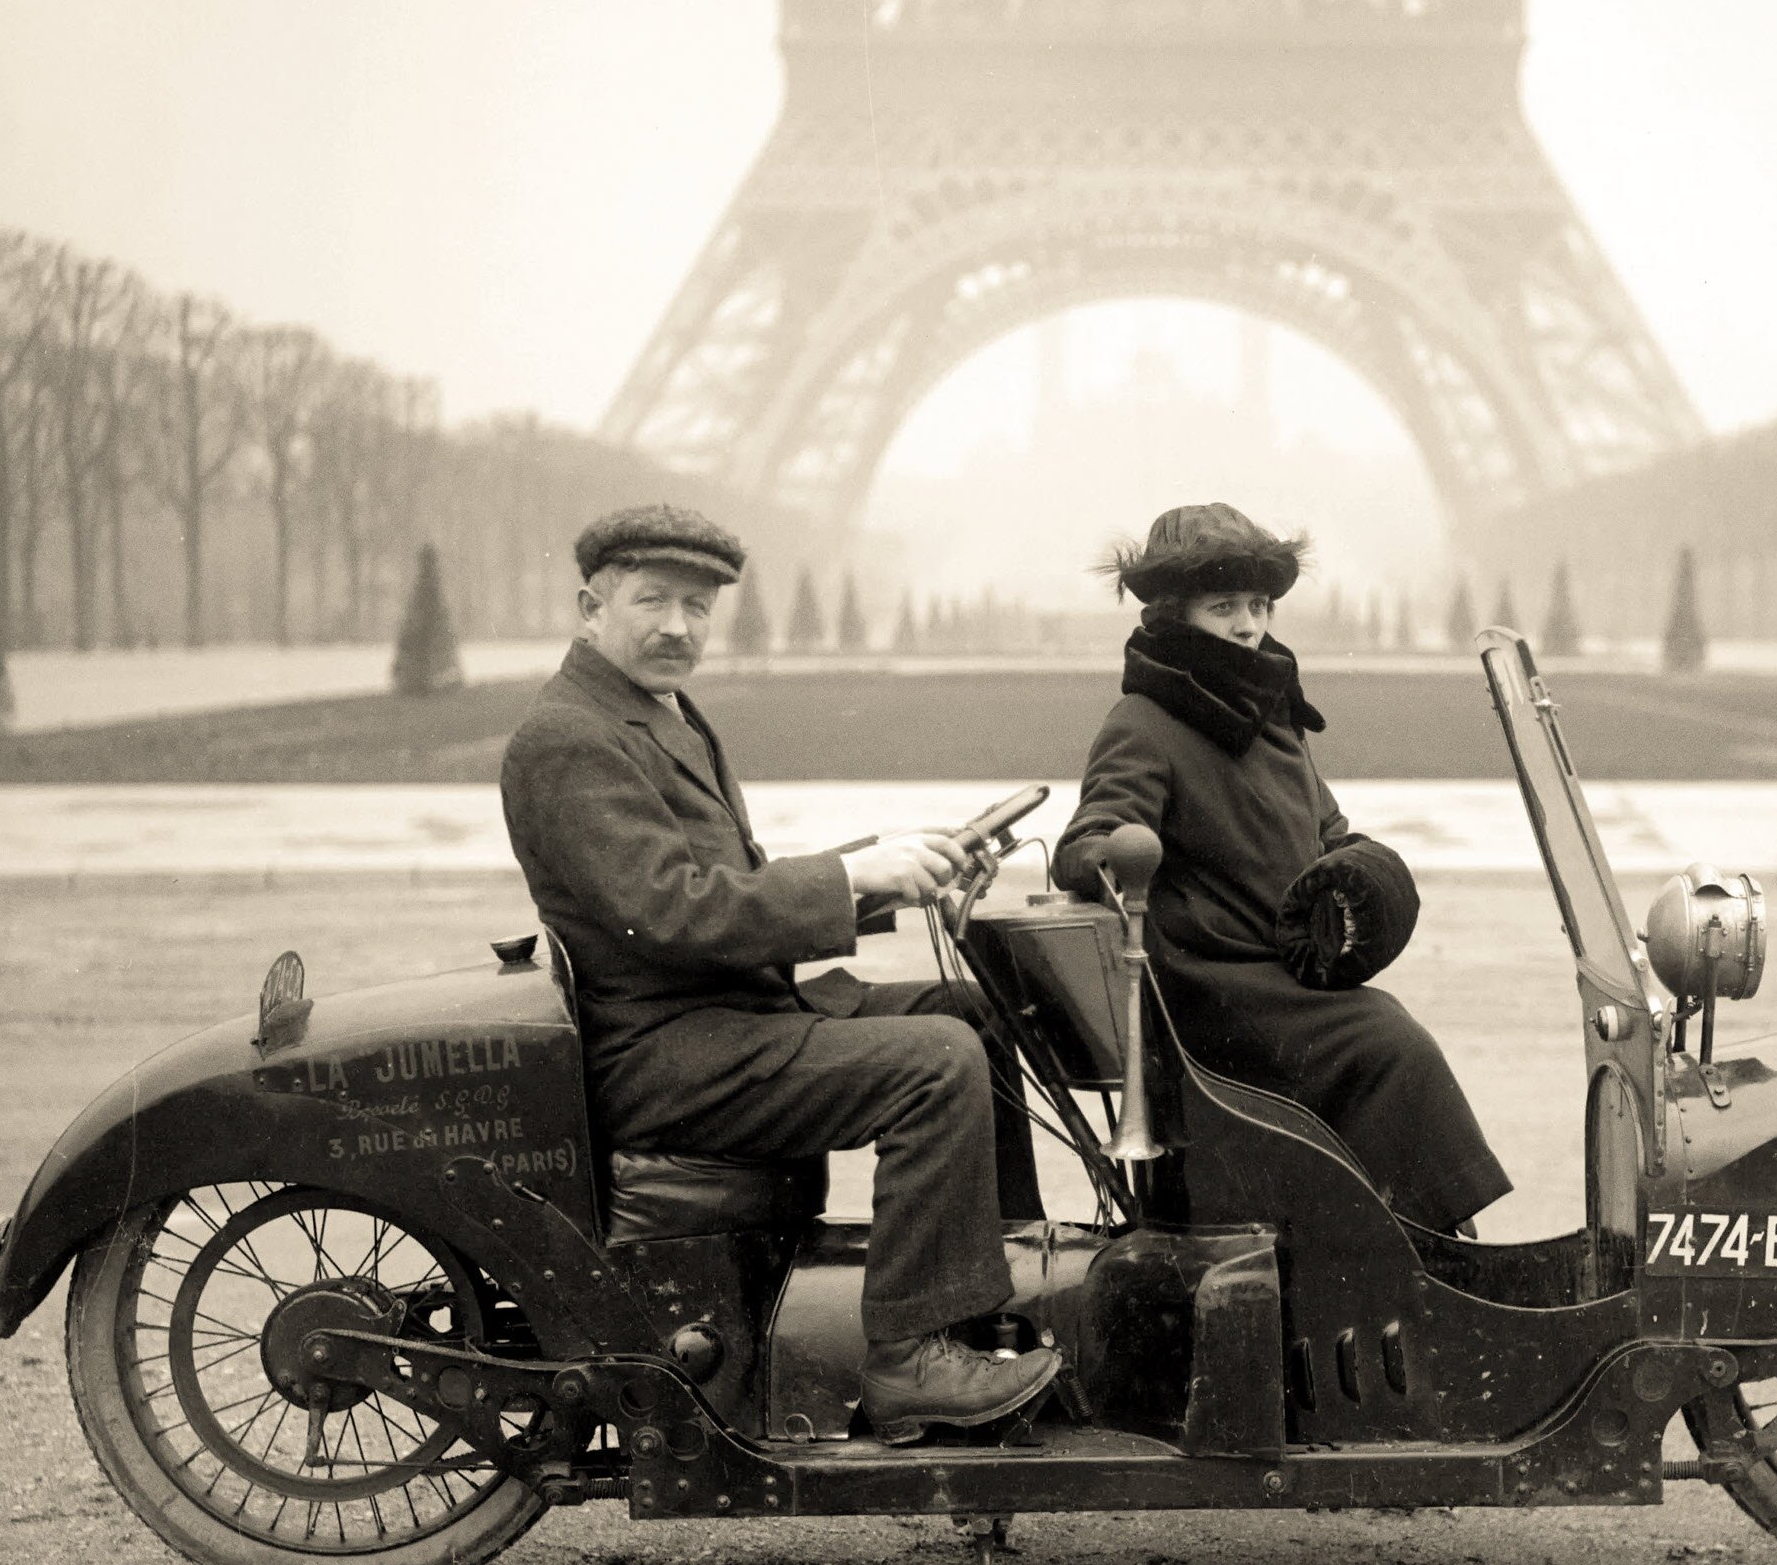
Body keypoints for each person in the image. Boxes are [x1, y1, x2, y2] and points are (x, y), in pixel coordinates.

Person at [498, 503, 1058, 1443]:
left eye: (699, 607)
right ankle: (911, 1362)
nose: (680, 626)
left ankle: (996, 1293)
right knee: (935, 1061)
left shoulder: (648, 711)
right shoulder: (569, 736)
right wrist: (847, 878)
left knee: (973, 1011)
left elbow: (731, 888)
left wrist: (891, 871)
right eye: (655, 601)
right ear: (590, 605)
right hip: (668, 1054)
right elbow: (671, 910)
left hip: (719, 1021)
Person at [1053, 503, 1511, 1235]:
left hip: (1282, 978)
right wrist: (1112, 851)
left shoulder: (1272, 711)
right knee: (1390, 1044)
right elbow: (1087, 840)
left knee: (1384, 1035)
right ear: (1176, 614)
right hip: (1215, 992)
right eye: (1224, 606)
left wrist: (1359, 863)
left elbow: (1325, 826)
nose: (1247, 626)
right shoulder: (1142, 721)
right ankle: (1414, 1241)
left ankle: (1400, 1237)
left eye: (1259, 606)